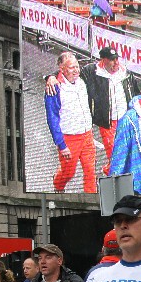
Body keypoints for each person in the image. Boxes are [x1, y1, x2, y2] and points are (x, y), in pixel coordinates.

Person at [46, 46, 141, 176]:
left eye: (117, 59)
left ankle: (111, 170)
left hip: (126, 120)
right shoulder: (92, 72)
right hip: (108, 123)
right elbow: (68, 71)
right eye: (112, 60)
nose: (116, 63)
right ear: (103, 60)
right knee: (115, 154)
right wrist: (51, 77)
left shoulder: (126, 73)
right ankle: (116, 176)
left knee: (128, 152)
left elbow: (136, 94)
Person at [45, 52, 96, 194]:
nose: (76, 70)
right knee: (68, 173)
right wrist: (61, 145)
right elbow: (52, 119)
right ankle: (58, 184)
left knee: (90, 171)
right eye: (71, 67)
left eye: (77, 66)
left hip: (87, 135)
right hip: (69, 139)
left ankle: (92, 200)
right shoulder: (54, 88)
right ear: (62, 69)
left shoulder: (82, 80)